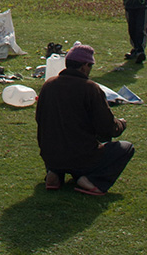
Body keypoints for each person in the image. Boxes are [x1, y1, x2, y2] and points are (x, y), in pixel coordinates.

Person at [37, 44, 133, 196]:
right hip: (80, 158)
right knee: (126, 148)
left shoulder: (48, 85)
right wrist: (121, 124)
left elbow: (40, 120)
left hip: (51, 155)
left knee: (61, 141)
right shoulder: (90, 89)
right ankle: (91, 180)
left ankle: (54, 173)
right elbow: (107, 128)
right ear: (84, 66)